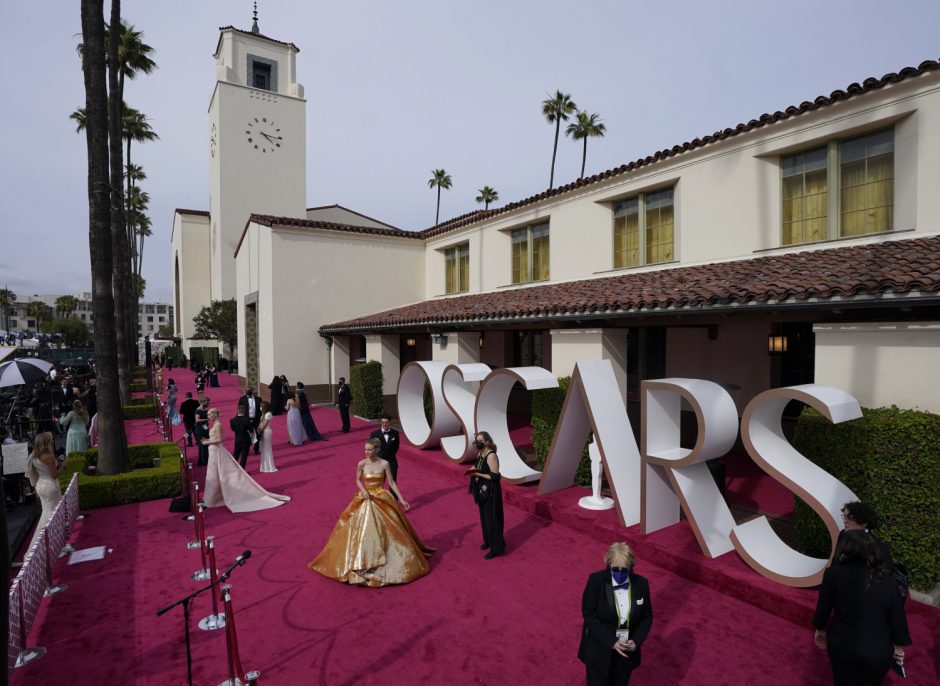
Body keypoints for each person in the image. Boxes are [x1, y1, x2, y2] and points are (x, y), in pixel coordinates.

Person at [308, 437, 434, 587]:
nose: (366, 452)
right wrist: (363, 490)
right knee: (360, 530)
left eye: (369, 450)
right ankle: (362, 560)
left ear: (377, 450)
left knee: (390, 530)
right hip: (366, 497)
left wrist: (401, 499)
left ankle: (389, 561)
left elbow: (391, 482)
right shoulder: (361, 463)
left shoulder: (385, 464)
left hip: (381, 497)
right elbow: (357, 480)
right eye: (365, 449)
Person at [813, 529, 911, 686]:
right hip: (877, 651)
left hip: (842, 644)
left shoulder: (833, 574)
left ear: (845, 549)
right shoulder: (889, 581)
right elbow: (897, 617)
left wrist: (820, 628)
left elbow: (824, 607)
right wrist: (898, 647)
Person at [578, 542, 654, 686]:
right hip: (600, 650)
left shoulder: (641, 584)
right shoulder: (596, 581)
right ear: (608, 564)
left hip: (626, 652)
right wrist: (611, 641)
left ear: (631, 567)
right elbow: (589, 614)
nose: (619, 573)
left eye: (624, 570)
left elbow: (647, 616)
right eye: (615, 569)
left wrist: (636, 641)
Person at [201, 408, 290, 513]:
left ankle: (214, 499)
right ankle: (213, 499)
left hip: (217, 451)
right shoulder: (217, 425)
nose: (208, 416)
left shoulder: (219, 425)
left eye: (209, 414)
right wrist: (208, 440)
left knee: (217, 473)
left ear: (215, 415)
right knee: (213, 475)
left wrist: (208, 442)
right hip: (215, 450)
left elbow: (220, 440)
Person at [465, 431, 505, 559]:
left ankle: (496, 549)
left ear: (487, 441)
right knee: (484, 518)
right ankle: (488, 541)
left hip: (491, 493)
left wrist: (478, 474)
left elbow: (495, 477)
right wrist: (473, 468)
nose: (478, 443)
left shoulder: (491, 456)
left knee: (492, 520)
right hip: (483, 491)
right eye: (477, 440)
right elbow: (480, 467)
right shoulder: (481, 454)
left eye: (480, 440)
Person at [25, 432, 64, 551]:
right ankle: (45, 546)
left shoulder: (34, 455)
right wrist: (63, 466)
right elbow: (54, 475)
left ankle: (47, 544)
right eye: (51, 440)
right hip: (50, 486)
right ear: (46, 443)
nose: (53, 441)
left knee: (47, 513)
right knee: (51, 515)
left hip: (40, 485)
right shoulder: (49, 456)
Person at [370, 414, 401, 485]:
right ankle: (379, 496)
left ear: (390, 422)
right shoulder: (374, 434)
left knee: (393, 483)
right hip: (379, 462)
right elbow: (372, 448)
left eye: (386, 422)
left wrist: (390, 455)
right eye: (383, 422)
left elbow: (396, 447)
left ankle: (393, 496)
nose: (384, 424)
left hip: (392, 462)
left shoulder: (395, 433)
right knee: (379, 483)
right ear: (380, 422)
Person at [237, 387, 261, 454]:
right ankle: (245, 449)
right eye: (247, 390)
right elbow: (239, 410)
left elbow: (260, 410)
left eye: (249, 390)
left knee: (257, 434)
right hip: (246, 420)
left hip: (256, 420)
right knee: (245, 435)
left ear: (252, 390)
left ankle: (256, 449)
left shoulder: (258, 399)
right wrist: (240, 419)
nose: (248, 391)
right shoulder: (242, 399)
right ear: (245, 391)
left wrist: (259, 418)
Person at [229, 405, 253, 469]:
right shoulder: (247, 420)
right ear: (244, 411)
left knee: (235, 455)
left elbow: (233, 429)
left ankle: (233, 469)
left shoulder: (232, 420)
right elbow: (251, 430)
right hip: (245, 440)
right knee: (244, 457)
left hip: (237, 439)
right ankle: (242, 470)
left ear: (237, 411)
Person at [257, 402, 277, 472]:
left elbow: (264, 425)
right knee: (264, 448)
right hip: (264, 431)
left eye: (261, 407)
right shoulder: (264, 414)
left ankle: (269, 466)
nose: (260, 408)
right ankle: (265, 466)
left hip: (266, 432)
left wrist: (258, 431)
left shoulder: (268, 414)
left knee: (267, 448)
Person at [194, 396, 211, 466]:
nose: (209, 403)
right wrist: (207, 420)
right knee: (202, 445)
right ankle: (203, 461)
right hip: (200, 429)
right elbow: (197, 420)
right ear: (203, 402)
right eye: (208, 402)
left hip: (205, 428)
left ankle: (205, 460)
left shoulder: (205, 409)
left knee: (206, 444)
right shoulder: (198, 410)